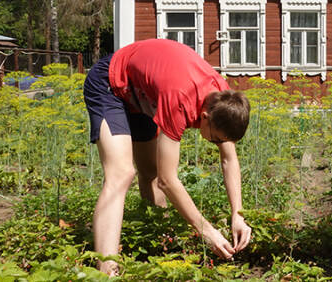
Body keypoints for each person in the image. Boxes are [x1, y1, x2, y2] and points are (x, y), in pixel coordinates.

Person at [83, 38, 252, 275]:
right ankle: (106, 271)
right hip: (110, 84)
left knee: (149, 172)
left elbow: (229, 159)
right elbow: (169, 180)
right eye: (215, 139)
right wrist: (207, 231)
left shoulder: (223, 99)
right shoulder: (180, 101)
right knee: (121, 174)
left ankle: (160, 243)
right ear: (204, 116)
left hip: (145, 92)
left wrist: (238, 215)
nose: (217, 144)